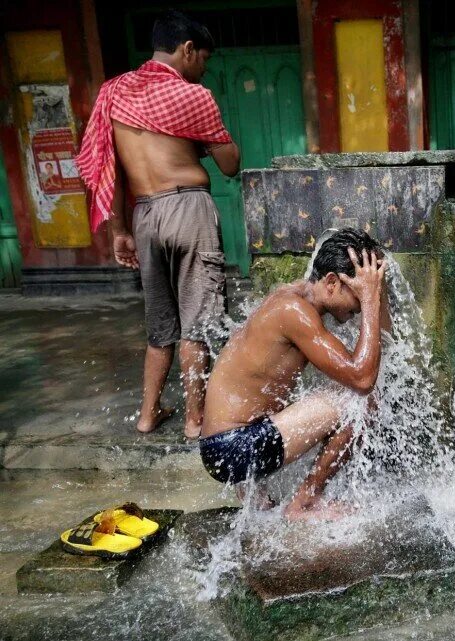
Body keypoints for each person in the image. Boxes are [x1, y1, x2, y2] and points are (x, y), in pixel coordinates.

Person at [78, 10, 240, 438]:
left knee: (160, 327)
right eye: (203, 59)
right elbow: (231, 164)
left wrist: (118, 231)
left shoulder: (112, 95)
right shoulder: (193, 97)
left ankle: (148, 415)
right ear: (187, 50)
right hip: (189, 210)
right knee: (197, 324)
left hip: (144, 215)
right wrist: (202, 143)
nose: (203, 69)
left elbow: (104, 168)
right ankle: (194, 420)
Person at [199, 229, 389, 520]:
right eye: (359, 293)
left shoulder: (293, 297)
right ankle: (305, 503)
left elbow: (384, 340)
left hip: (226, 444)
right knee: (362, 402)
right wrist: (371, 301)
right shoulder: (294, 311)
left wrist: (374, 294)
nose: (361, 304)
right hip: (232, 449)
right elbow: (363, 379)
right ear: (332, 282)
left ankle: (262, 505)